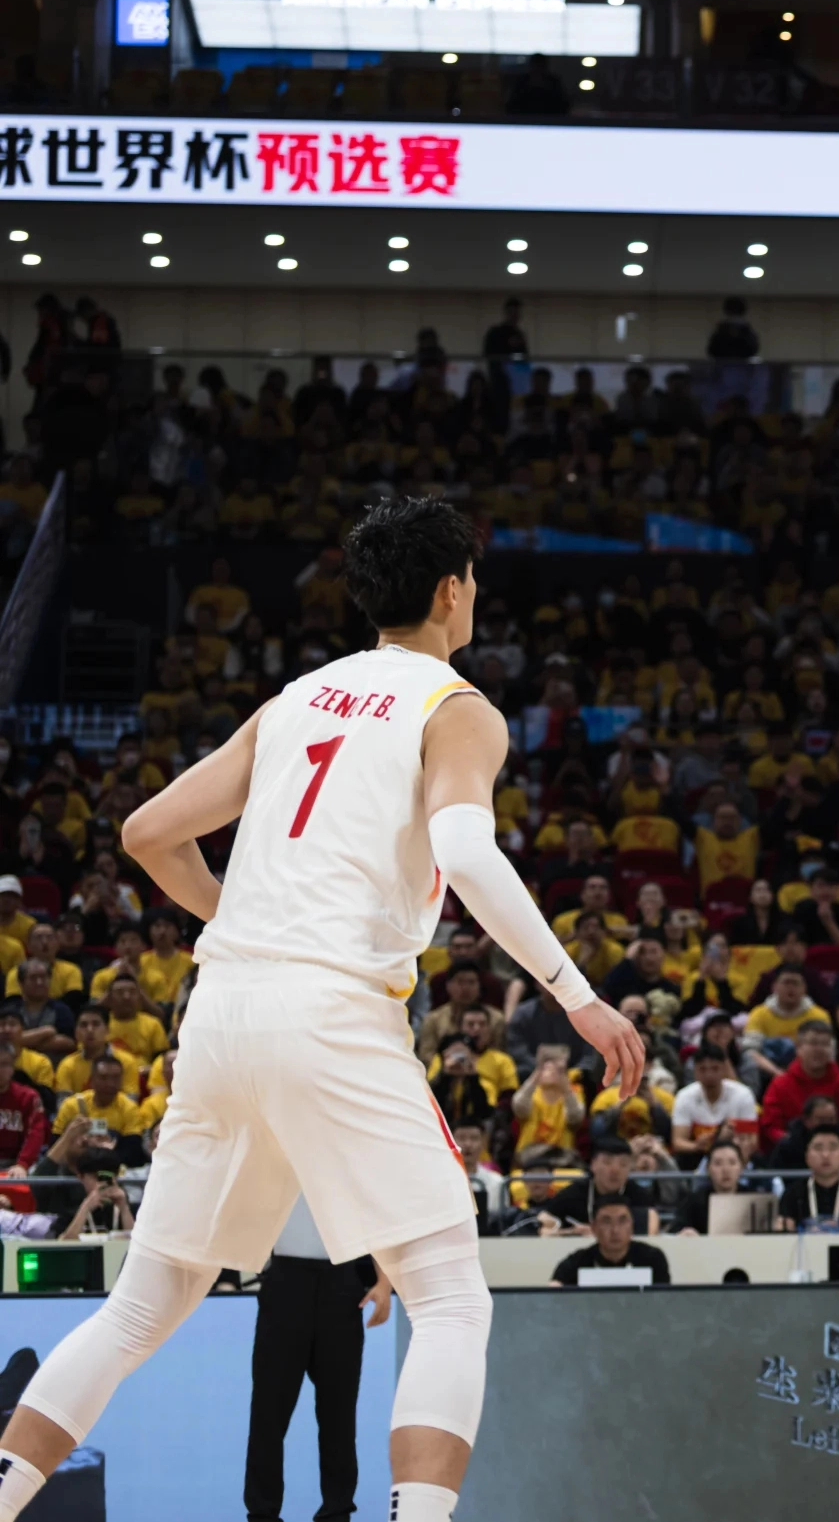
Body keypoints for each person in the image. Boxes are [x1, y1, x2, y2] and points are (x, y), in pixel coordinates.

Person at [0, 498, 646, 1522]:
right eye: (471, 579)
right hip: (332, 1010)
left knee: (141, 1305)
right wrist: (579, 993)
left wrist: (245, 914)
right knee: (448, 1294)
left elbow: (144, 832)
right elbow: (469, 853)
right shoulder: (456, 704)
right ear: (450, 589)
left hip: (222, 1008)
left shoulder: (296, 696)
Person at [243, 1197, 393, 1522]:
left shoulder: (346, 1156)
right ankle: (262, 1514)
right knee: (269, 1413)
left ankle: (337, 1512)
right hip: (284, 1279)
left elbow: (372, 1212)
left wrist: (384, 1281)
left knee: (338, 1414)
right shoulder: (276, 1152)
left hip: (341, 1282)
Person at [547, 1199, 672, 1288]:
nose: (615, 1230)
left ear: (632, 1227)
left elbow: (663, 1302)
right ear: (594, 1228)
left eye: (622, 1221)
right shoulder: (576, 1263)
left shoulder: (653, 1258)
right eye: (606, 1222)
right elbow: (555, 1294)